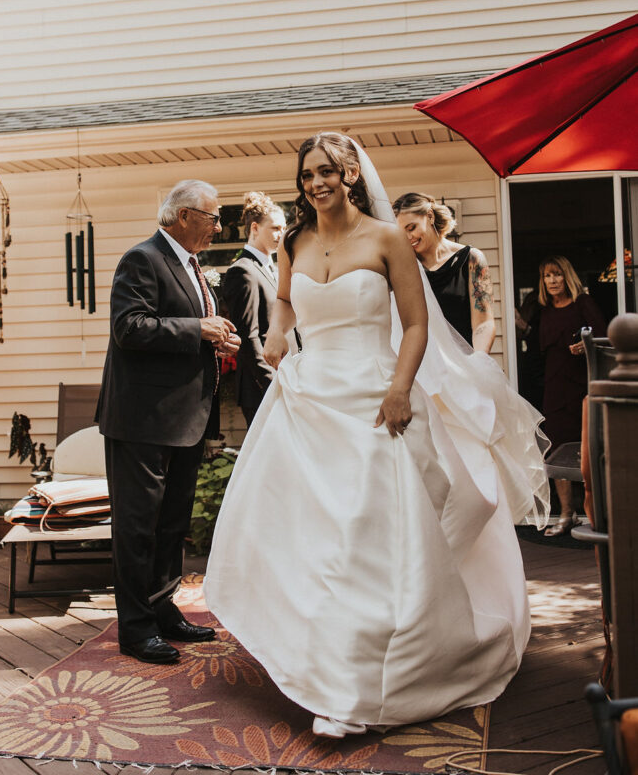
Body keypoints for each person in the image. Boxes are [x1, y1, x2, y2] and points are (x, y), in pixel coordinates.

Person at [205, 132, 549, 737]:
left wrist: (398, 389)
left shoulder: (387, 238)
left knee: (361, 538)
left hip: (374, 401)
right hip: (309, 402)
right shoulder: (294, 241)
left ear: (352, 176)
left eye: (328, 172)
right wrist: (278, 337)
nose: (317, 183)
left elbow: (416, 324)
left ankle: (359, 688)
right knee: (314, 538)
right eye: (308, 173)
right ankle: (332, 670)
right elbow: (283, 304)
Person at [96, 179, 240, 664]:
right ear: (183, 216)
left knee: (170, 525)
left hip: (185, 420)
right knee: (137, 528)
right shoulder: (143, 259)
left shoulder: (195, 268)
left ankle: (162, 611)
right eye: (213, 216)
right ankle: (136, 629)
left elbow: (188, 334)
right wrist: (197, 327)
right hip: (141, 420)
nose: (220, 226)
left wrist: (219, 339)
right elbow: (128, 326)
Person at [538, 255, 607, 537]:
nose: (553, 281)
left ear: (567, 277)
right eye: (547, 276)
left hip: (580, 384)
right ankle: (567, 514)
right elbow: (534, 345)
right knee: (556, 448)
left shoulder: (583, 304)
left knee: (586, 449)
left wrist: (585, 345)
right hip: (554, 387)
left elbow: (603, 337)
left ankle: (595, 513)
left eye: (557, 275)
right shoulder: (542, 310)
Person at [392, 192, 496, 352]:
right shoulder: (404, 267)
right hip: (422, 368)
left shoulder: (472, 259)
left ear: (430, 216)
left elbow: (483, 323)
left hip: (465, 363)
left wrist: (479, 361)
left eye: (411, 228)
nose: (408, 237)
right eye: (401, 233)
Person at [222, 192, 286, 427]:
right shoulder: (243, 271)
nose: (281, 234)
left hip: (284, 375)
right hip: (260, 385)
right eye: (276, 228)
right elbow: (248, 336)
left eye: (284, 228)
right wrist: (272, 382)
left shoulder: (275, 270)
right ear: (256, 228)